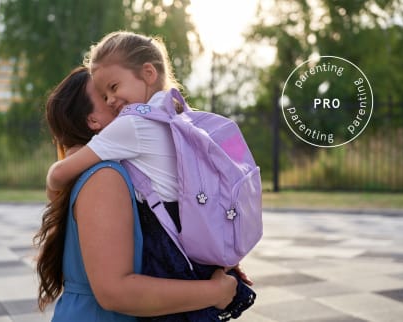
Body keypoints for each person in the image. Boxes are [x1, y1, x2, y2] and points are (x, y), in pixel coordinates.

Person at [46, 31, 256, 321]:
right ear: (92, 120)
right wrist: (215, 292)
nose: (115, 100)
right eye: (105, 96)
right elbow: (115, 291)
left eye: (114, 88)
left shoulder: (125, 157)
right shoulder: (105, 175)